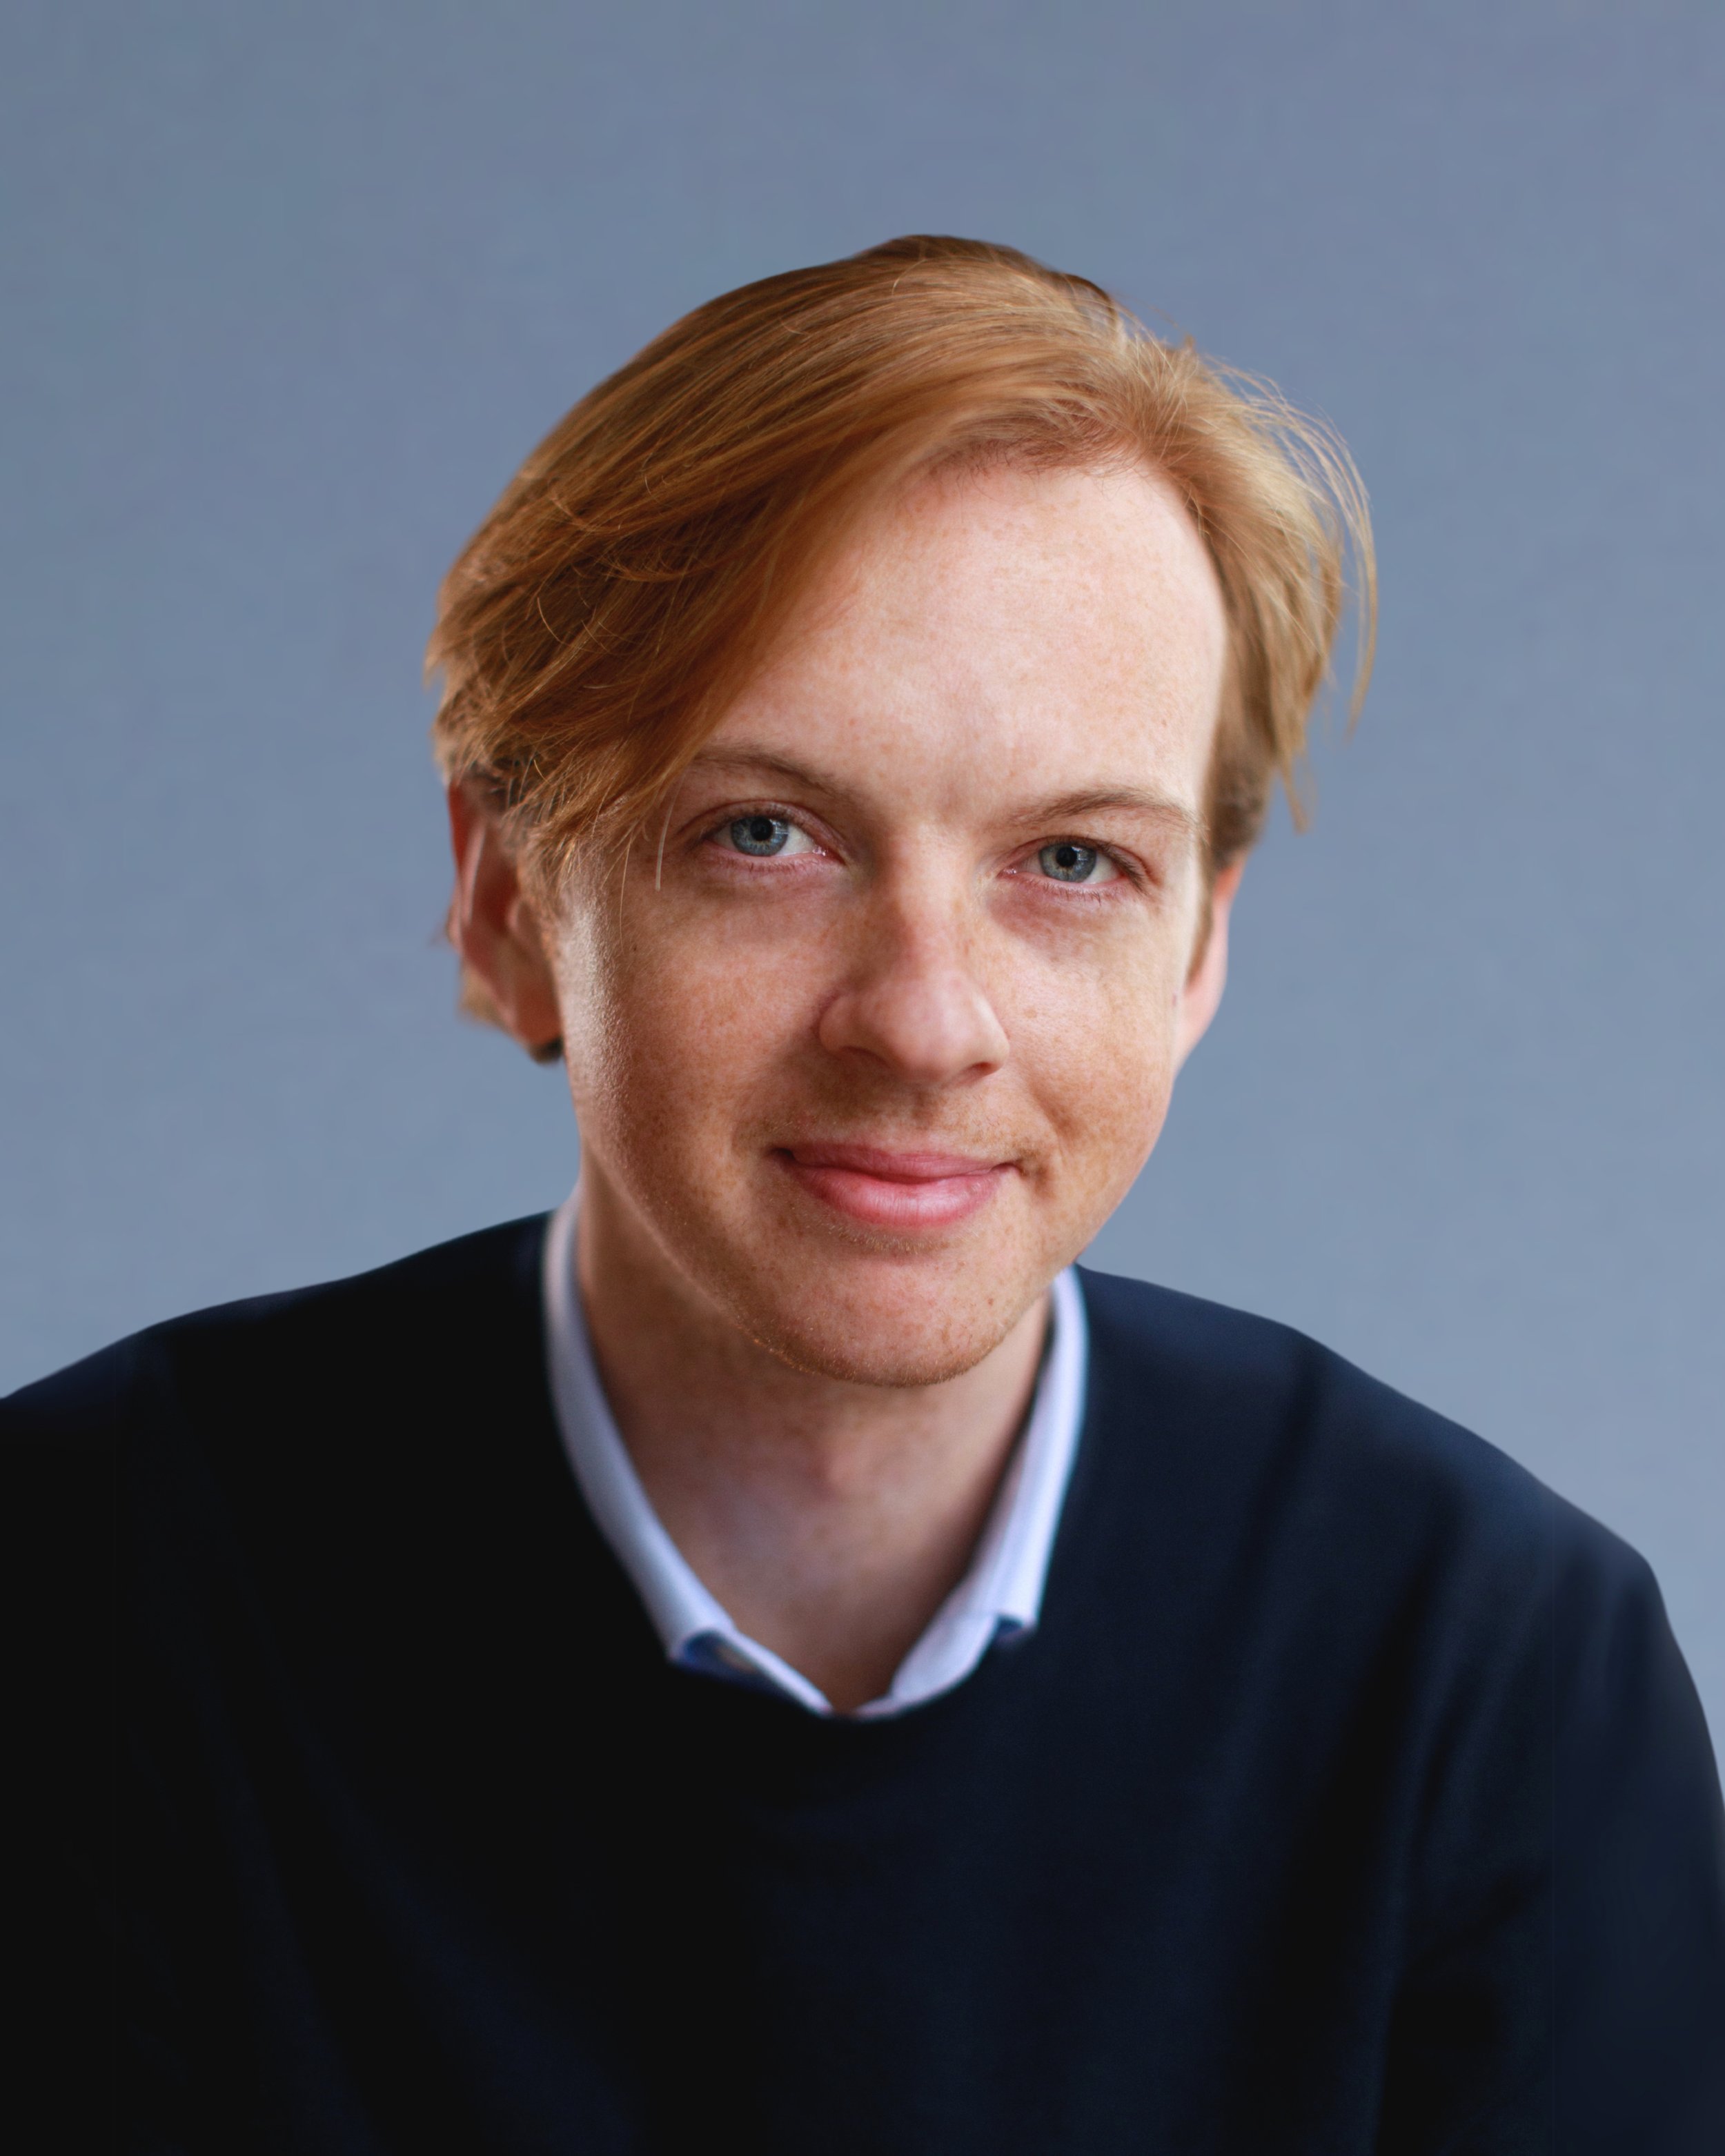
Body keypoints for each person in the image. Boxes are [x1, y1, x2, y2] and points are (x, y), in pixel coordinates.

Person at [6, 237, 1722, 2155]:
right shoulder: (76, 1600)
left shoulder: (1492, 1676)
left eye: (1070, 861)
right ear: (510, 907)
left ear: (1196, 959)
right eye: (763, 834)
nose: (923, 1021)